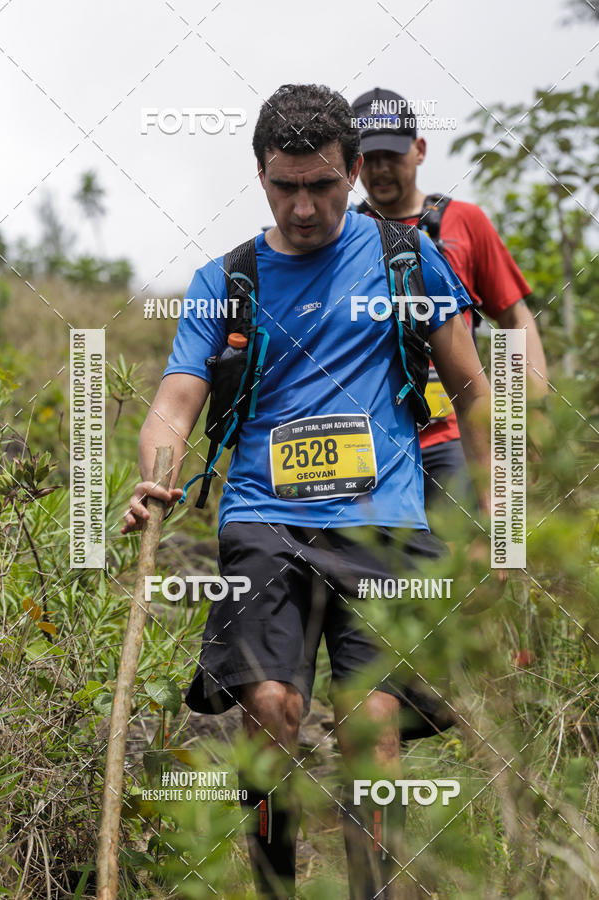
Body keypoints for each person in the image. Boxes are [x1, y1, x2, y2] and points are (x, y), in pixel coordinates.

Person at [123, 83, 493, 899]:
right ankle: (275, 885)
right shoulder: (227, 279)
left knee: (372, 729)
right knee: (270, 710)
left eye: (322, 185)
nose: (302, 207)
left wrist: (498, 518)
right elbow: (177, 399)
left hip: (386, 524)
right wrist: (157, 473)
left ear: (356, 172)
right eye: (284, 186)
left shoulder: (407, 259)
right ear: (259, 175)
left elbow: (470, 387)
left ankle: (373, 891)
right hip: (263, 519)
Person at [351, 87, 547, 517]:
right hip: (371, 444)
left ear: (419, 150)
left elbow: (514, 318)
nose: (381, 170)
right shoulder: (342, 235)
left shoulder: (465, 222)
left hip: (458, 436)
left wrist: (525, 412)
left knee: (485, 554)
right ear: (353, 162)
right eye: (370, 158)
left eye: (393, 156)